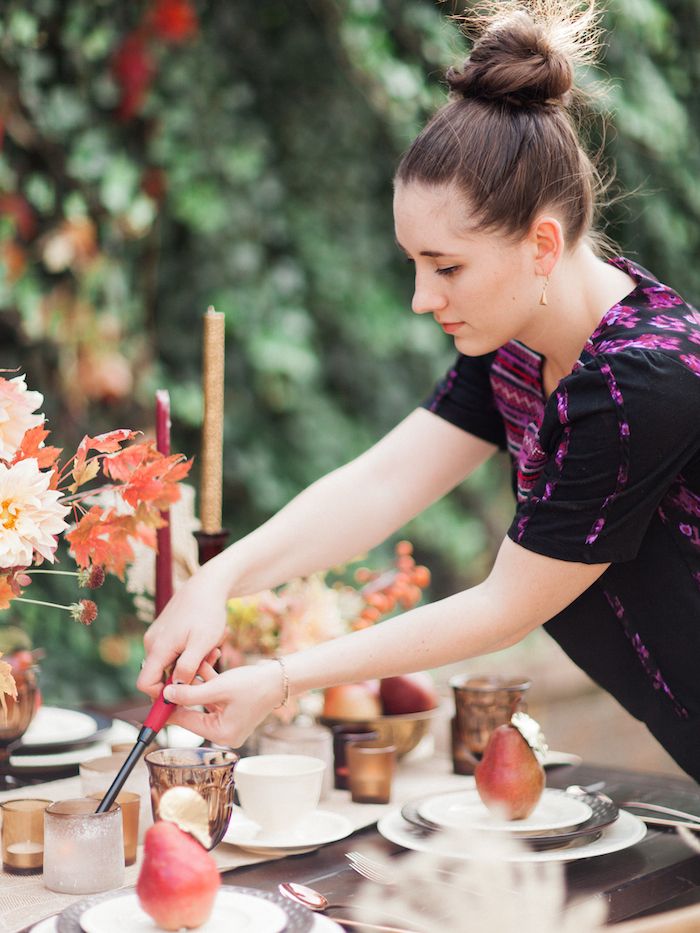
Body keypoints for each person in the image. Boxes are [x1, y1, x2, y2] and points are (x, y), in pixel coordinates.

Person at [137, 0, 700, 781]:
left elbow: (507, 605)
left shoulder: (642, 381)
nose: (421, 298)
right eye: (414, 263)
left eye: (446, 266)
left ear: (542, 243)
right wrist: (218, 581)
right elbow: (384, 481)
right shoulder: (514, 342)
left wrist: (282, 678)